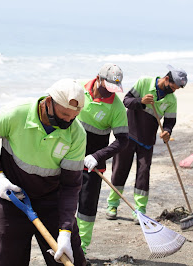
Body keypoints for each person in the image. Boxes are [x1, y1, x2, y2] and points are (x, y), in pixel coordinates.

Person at [0, 79, 87, 266]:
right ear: (49, 102)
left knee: (70, 259)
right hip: (11, 197)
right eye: (64, 114)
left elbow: (70, 186)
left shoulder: (76, 135)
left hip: (51, 200)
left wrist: (65, 232)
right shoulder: (16, 113)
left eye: (73, 116)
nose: (68, 120)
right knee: (5, 261)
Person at [105, 65, 188, 223]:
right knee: (119, 170)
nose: (174, 91)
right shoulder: (144, 83)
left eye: (177, 89)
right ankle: (112, 205)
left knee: (143, 174)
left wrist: (167, 132)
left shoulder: (171, 100)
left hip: (147, 140)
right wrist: (141, 101)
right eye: (173, 87)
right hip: (128, 135)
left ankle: (140, 210)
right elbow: (126, 101)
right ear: (166, 79)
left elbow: (170, 121)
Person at [76, 63, 129, 254]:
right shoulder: (78, 88)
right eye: (107, 88)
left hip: (92, 165)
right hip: (66, 158)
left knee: (86, 206)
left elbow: (122, 140)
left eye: (114, 89)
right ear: (98, 79)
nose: (110, 93)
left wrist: (97, 157)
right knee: (60, 200)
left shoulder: (117, 108)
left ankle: (80, 247)